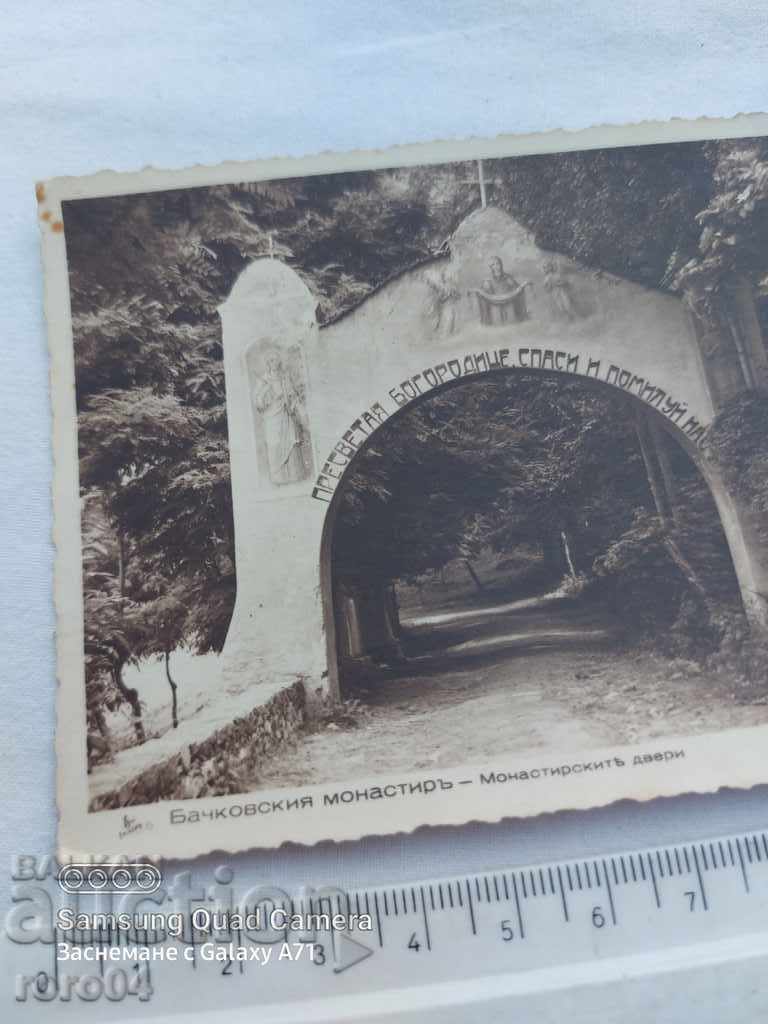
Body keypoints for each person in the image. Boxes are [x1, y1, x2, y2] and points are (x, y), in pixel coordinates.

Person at [251, 350, 309, 485]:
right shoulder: (263, 380)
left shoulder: (284, 377)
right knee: (275, 443)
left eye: (276, 360)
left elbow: (293, 395)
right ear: (268, 364)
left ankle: (295, 475)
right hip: (272, 417)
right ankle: (279, 478)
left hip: (285, 413)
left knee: (291, 441)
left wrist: (299, 409)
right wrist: (268, 394)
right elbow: (258, 401)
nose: (274, 363)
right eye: (271, 361)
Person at [473, 256, 531, 324]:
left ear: (501, 264)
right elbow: (485, 295)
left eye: (497, 263)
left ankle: (520, 316)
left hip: (509, 302)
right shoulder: (487, 280)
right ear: (491, 267)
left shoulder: (508, 277)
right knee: (496, 322)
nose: (496, 266)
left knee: (512, 322)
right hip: (494, 304)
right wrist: (482, 290)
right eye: (493, 265)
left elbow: (516, 290)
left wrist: (523, 285)